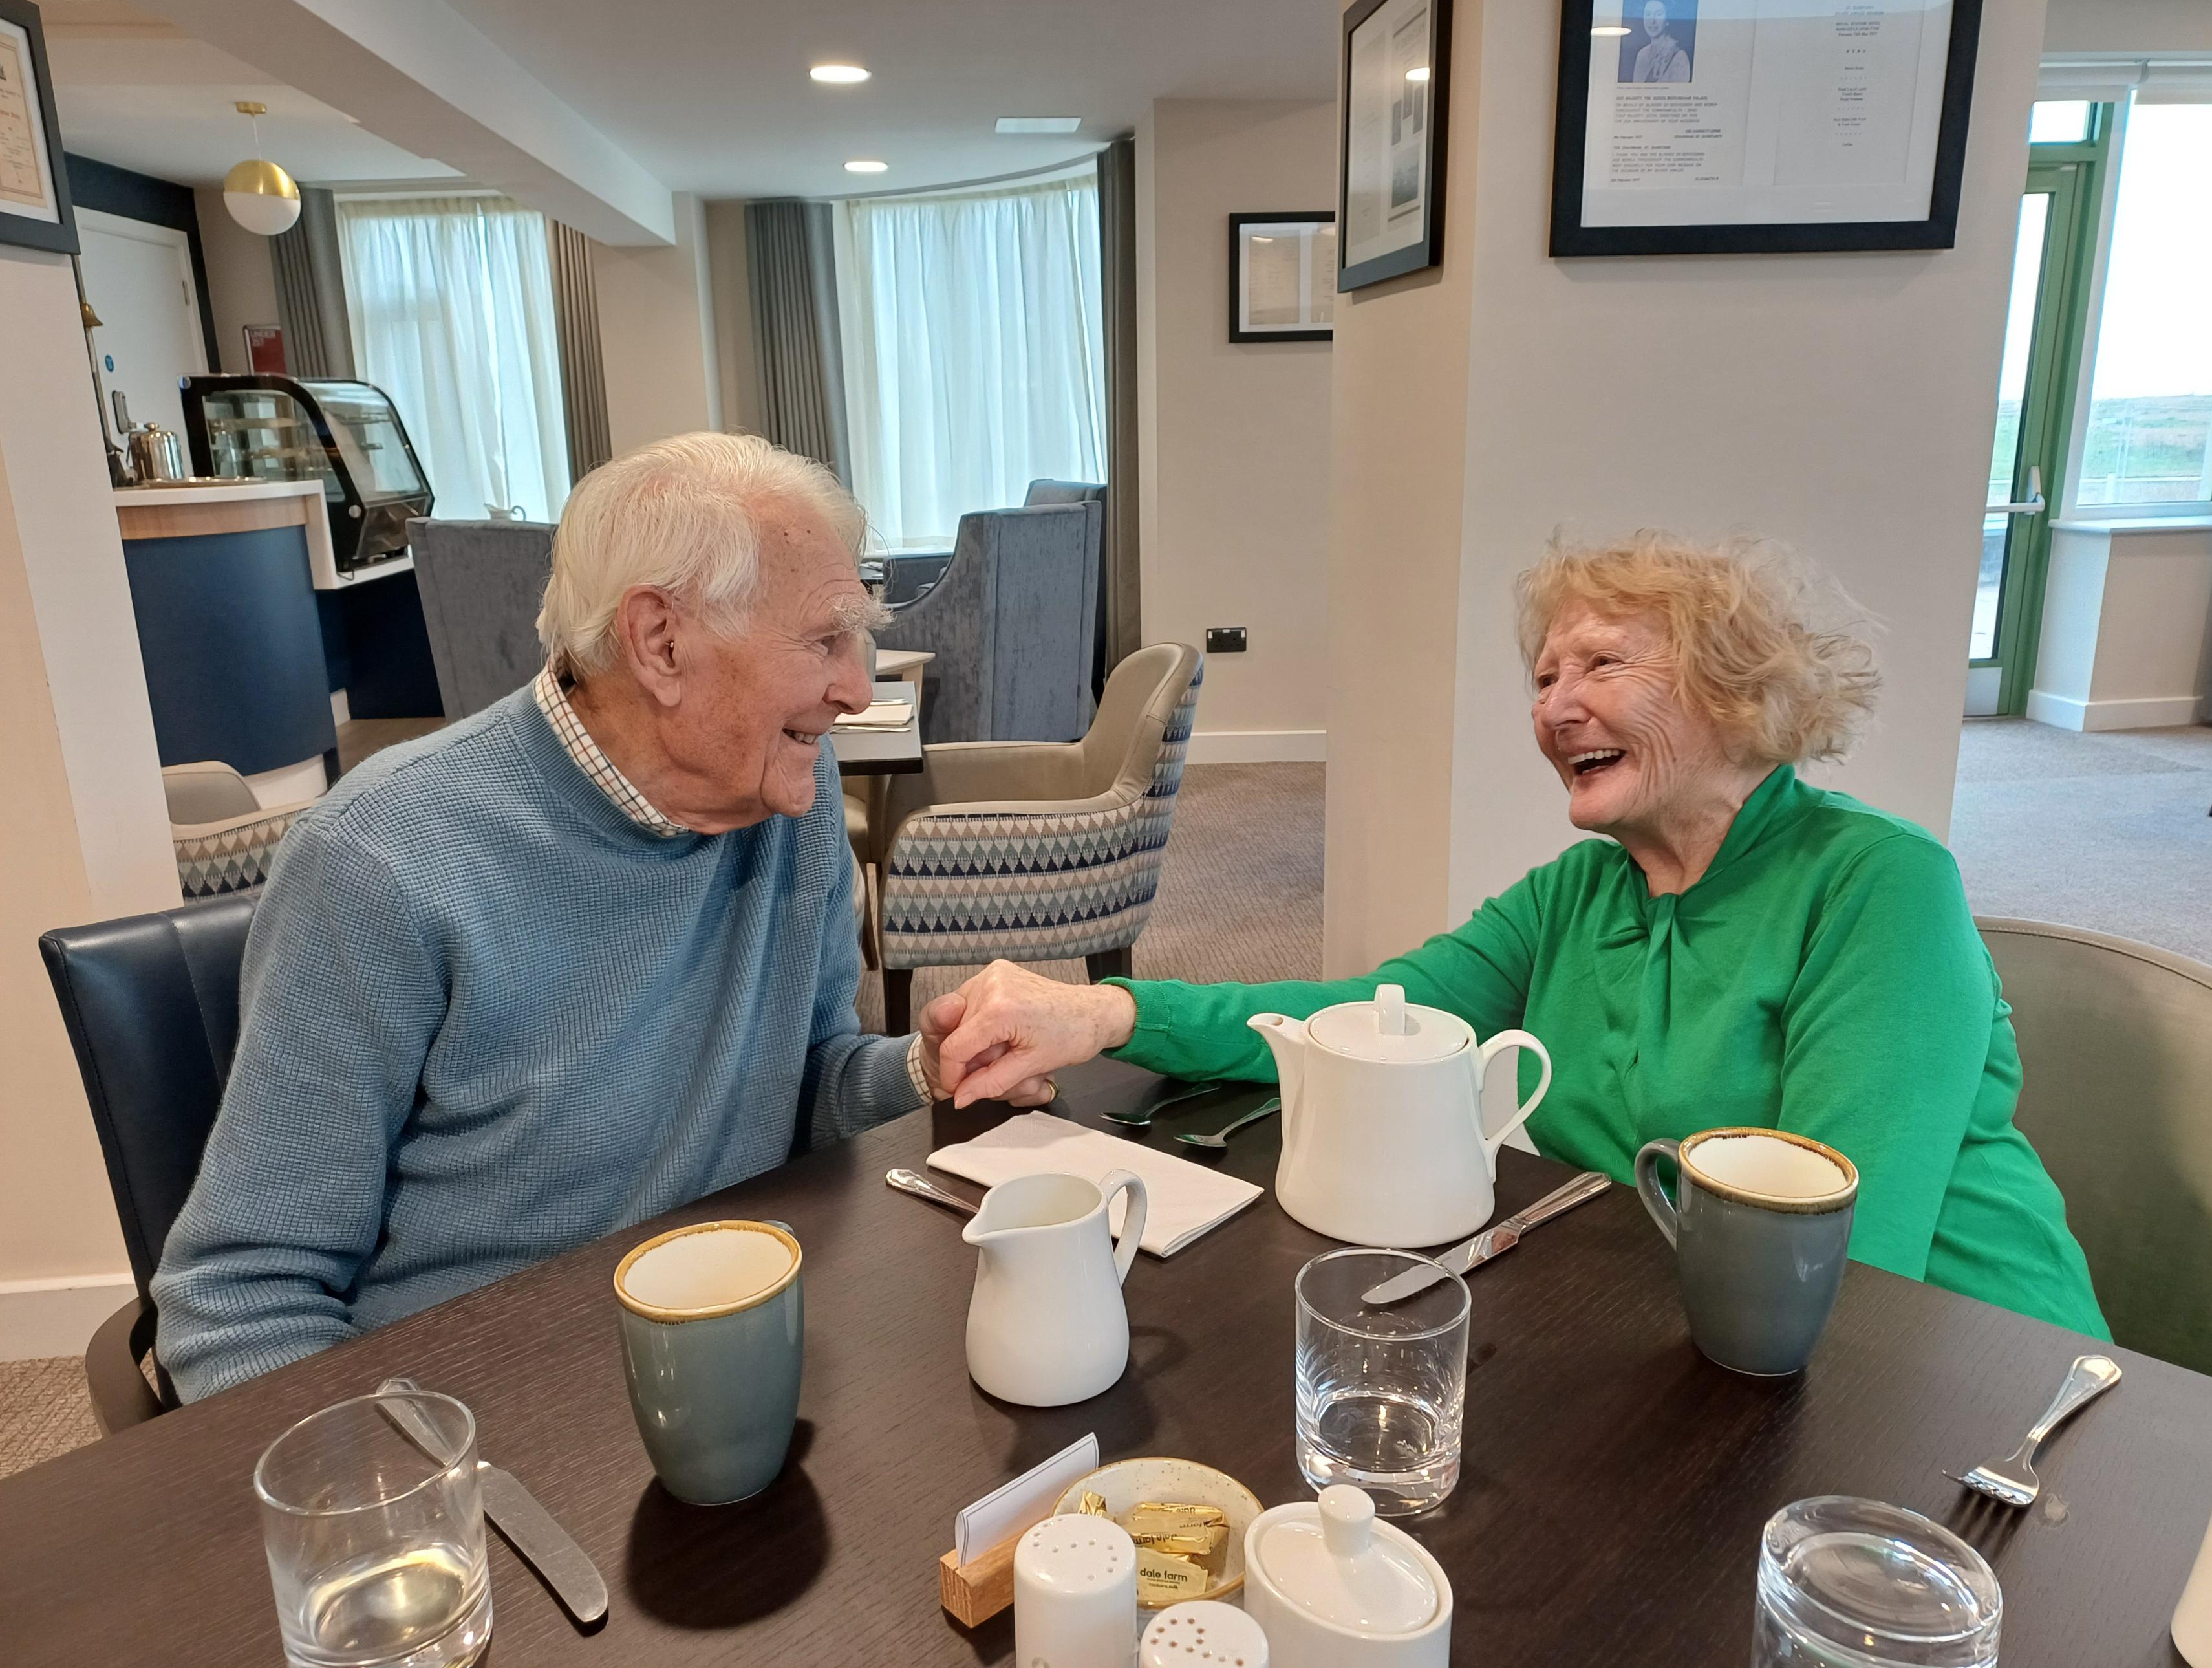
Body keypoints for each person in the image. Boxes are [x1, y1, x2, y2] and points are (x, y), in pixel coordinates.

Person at [922, 534, 2109, 1337]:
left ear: (1736, 689)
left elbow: (1846, 1271)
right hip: (1669, 1337)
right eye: (1543, 677)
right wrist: (1104, 1013)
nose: (1552, 707)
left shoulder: (1876, 887)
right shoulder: (1575, 895)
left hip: (1965, 1392)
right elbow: (1359, 1021)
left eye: (1601, 664)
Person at [154, 433, 936, 1401]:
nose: (856, 688)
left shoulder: (789, 788)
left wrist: (921, 1067)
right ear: (662, 643)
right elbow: (240, 1300)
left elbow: (805, 1087)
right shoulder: (378, 862)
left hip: (718, 1360)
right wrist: (419, 1504)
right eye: (825, 639)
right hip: (479, 1415)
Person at [1629, 1, 1691, 83]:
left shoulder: (1679, 57)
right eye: (1648, 14)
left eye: (1659, 14)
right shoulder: (1642, 54)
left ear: (1668, 20)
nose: (1652, 21)